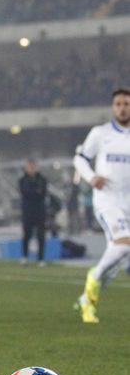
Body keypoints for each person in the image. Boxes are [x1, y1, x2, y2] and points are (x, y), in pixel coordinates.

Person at [73, 87, 130, 324]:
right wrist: (91, 177)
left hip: (128, 202)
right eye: (118, 104)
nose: (122, 108)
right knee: (124, 243)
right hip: (107, 200)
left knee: (119, 259)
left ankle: (86, 299)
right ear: (112, 107)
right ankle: (93, 277)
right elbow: (80, 158)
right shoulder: (101, 133)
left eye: (126, 104)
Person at [18, 158, 48, 266]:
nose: (31, 169)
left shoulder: (42, 179)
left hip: (39, 211)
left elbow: (42, 193)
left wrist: (33, 193)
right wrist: (35, 192)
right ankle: (24, 256)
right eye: (29, 167)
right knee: (27, 235)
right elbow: (25, 193)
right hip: (27, 211)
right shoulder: (22, 180)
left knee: (41, 235)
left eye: (33, 166)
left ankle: (41, 259)